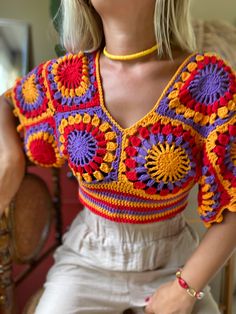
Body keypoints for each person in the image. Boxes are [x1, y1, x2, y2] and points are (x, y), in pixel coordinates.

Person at [0, 0, 236, 313]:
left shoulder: (208, 83)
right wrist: (9, 158)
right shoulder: (64, 80)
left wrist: (185, 289)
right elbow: (7, 101)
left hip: (174, 266)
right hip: (86, 263)